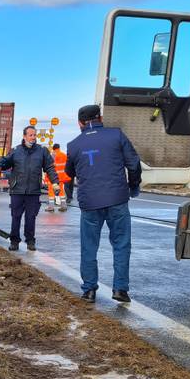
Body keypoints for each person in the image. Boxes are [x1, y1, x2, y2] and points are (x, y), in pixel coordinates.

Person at [65, 105, 141, 304]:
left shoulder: (74, 145)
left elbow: (69, 172)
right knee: (121, 244)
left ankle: (89, 290)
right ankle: (120, 289)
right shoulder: (116, 135)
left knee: (89, 247)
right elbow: (133, 163)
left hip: (90, 202)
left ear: (80, 123)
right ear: (100, 117)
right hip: (117, 198)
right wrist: (133, 187)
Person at [0, 126, 59, 251]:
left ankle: (30, 241)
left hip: (33, 191)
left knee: (31, 217)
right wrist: (1, 163)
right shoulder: (15, 151)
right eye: (30, 135)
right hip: (17, 190)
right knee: (16, 216)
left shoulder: (42, 151)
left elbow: (50, 168)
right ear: (24, 136)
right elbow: (4, 166)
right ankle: (14, 241)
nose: (33, 137)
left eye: (34, 135)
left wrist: (55, 182)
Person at [47, 143, 73, 211]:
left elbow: (50, 166)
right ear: (59, 148)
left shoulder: (53, 155)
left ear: (53, 148)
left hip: (53, 177)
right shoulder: (64, 155)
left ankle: (51, 207)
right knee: (61, 190)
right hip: (61, 176)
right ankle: (64, 206)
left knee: (51, 191)